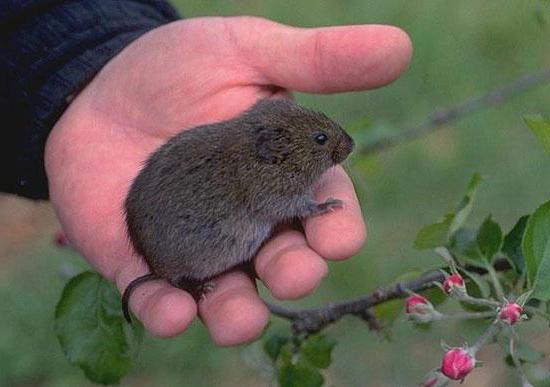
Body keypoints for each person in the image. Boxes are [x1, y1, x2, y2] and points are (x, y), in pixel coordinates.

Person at [1, 1, 412, 345]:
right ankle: (185, 276)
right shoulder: (265, 174)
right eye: (321, 142)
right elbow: (272, 203)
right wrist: (310, 206)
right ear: (276, 151)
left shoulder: (256, 152)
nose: (338, 149)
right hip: (185, 244)